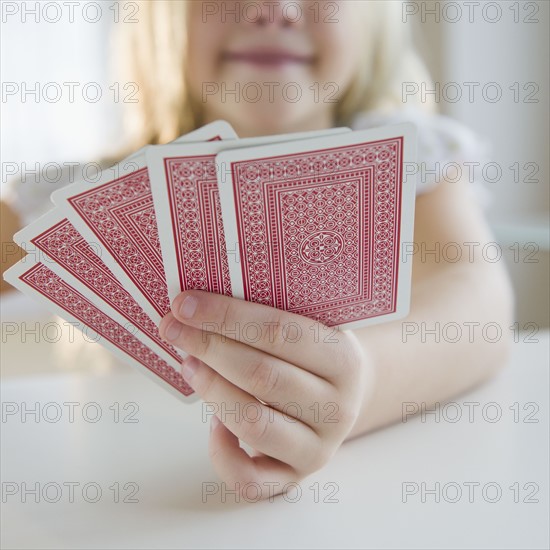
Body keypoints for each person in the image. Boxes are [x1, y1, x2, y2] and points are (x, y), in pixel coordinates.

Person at [1, 1, 513, 499]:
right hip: (132, 505)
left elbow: (477, 305)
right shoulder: (78, 193)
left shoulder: (414, 157)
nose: (275, 9)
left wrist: (359, 385)